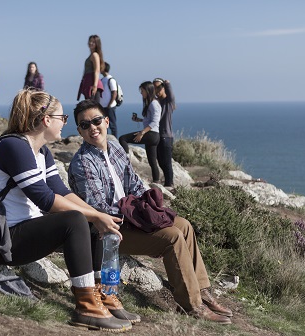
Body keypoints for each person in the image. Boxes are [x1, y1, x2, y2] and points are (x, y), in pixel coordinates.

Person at [0, 89, 137, 332]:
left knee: (88, 218)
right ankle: (86, 307)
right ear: (46, 120)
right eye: (62, 118)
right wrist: (93, 215)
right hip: (1, 240)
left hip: (23, 233)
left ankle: (101, 294)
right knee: (75, 220)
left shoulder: (41, 152)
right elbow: (44, 199)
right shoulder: (14, 147)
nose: (65, 124)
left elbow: (62, 191)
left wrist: (98, 216)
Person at [68, 99, 233, 324]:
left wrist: (148, 205)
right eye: (84, 125)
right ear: (79, 131)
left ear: (106, 121)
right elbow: (100, 209)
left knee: (183, 225)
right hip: (107, 231)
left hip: (128, 216)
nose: (92, 128)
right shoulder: (82, 162)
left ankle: (202, 291)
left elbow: (133, 182)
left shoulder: (115, 146)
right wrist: (138, 215)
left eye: (96, 121)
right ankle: (192, 306)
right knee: (172, 238)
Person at [118, 81, 161, 184]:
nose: (141, 93)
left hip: (151, 134)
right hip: (154, 136)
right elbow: (149, 120)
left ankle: (126, 161)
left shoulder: (154, 104)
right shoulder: (151, 103)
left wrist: (142, 133)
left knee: (122, 139)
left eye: (142, 91)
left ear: (148, 90)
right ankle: (156, 182)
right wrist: (138, 119)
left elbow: (155, 121)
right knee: (152, 161)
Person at [153, 78, 176, 188]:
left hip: (166, 136)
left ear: (163, 88)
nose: (156, 90)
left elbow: (171, 94)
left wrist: (167, 83)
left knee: (167, 162)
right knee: (160, 160)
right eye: (154, 87)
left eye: (158, 87)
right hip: (157, 135)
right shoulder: (156, 102)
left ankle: (170, 184)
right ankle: (167, 182)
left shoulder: (168, 102)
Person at [77, 35, 104, 103]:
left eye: (93, 42)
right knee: (90, 105)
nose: (90, 43)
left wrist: (95, 85)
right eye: (90, 41)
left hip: (92, 83)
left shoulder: (95, 55)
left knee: (93, 106)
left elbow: (97, 70)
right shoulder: (91, 55)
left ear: (97, 44)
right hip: (88, 82)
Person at [100, 62, 118, 137]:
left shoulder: (110, 79)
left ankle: (115, 140)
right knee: (104, 124)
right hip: (103, 106)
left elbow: (114, 92)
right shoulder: (102, 79)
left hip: (110, 106)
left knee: (112, 124)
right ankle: (105, 138)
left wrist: (109, 104)